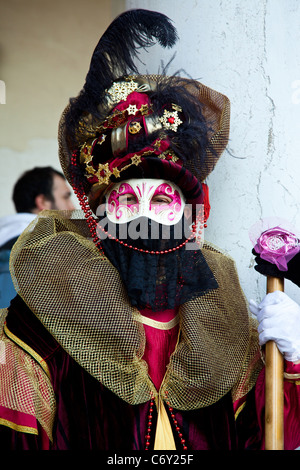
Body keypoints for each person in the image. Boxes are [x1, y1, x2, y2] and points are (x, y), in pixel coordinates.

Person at [1, 9, 300, 451]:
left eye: (161, 201)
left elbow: (273, 433)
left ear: (189, 214)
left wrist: (291, 362)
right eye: (125, 201)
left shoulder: (226, 323)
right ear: (100, 218)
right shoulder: (38, 324)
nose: (144, 216)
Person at [0, 167, 75, 308]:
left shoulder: (10, 241)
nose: (72, 207)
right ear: (43, 202)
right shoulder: (36, 248)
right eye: (65, 197)